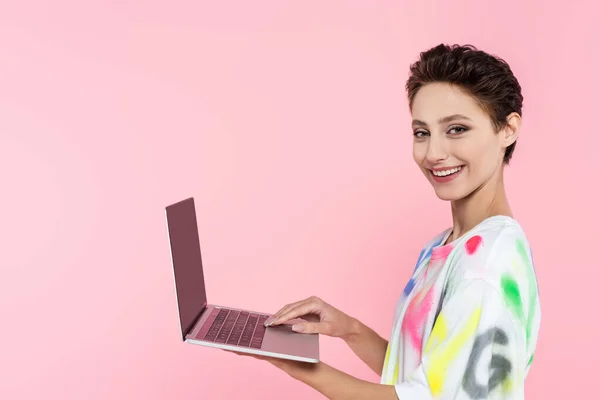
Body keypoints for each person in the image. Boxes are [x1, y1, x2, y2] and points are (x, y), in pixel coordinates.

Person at [228, 43, 541, 400]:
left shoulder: (486, 266)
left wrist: (294, 364)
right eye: (422, 132)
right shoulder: (447, 244)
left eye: (456, 129)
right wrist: (350, 330)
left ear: (508, 129)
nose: (433, 153)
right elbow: (429, 378)